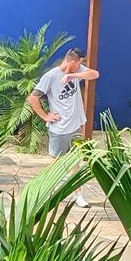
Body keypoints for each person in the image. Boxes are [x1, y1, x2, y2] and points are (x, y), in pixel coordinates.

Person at [28, 48, 100, 206]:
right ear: (72, 62)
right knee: (55, 162)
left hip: (75, 125)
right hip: (59, 128)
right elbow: (33, 98)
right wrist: (45, 116)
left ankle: (78, 195)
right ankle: (45, 193)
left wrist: (73, 75)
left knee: (76, 160)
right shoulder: (51, 76)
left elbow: (95, 74)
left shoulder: (77, 71)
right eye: (80, 63)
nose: (82, 65)